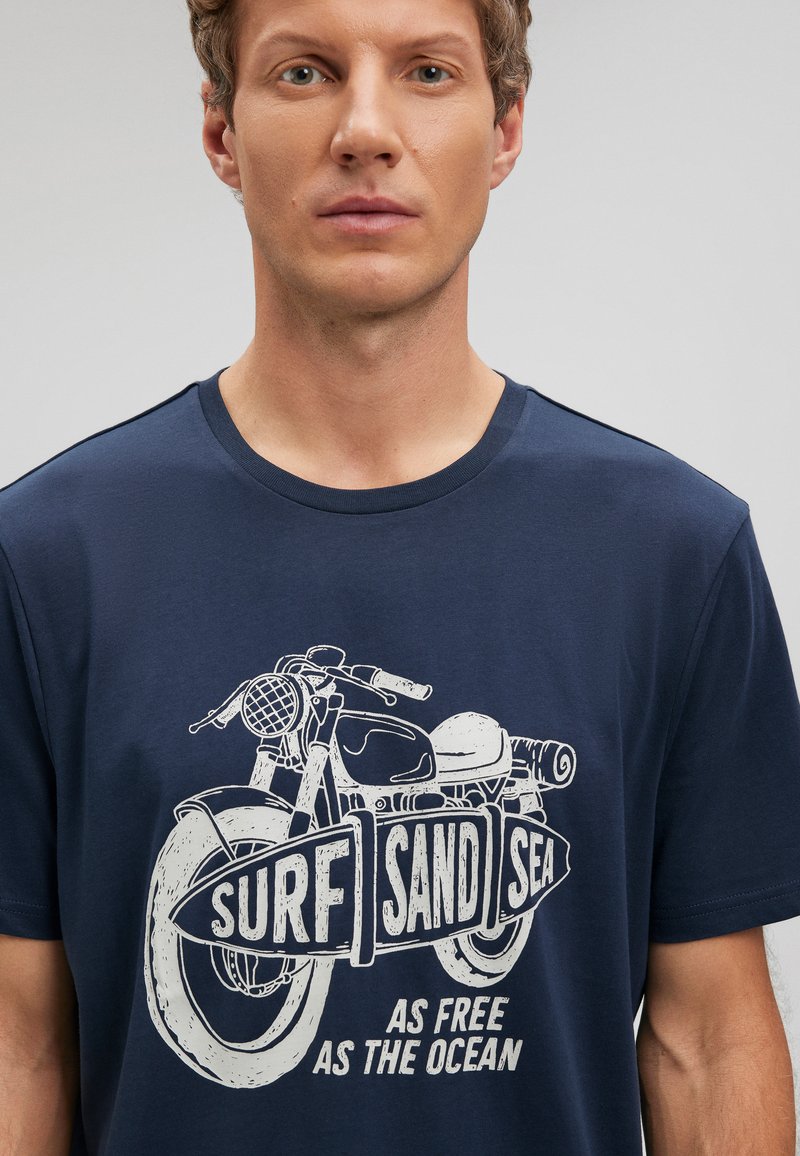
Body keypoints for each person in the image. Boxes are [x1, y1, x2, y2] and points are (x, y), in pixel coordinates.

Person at [1, 0, 798, 1151]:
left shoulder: (676, 552)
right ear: (222, 131)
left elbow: (705, 1041)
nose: (364, 130)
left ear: (504, 127)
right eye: (304, 71)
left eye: (426, 71)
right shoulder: (44, 563)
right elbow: (21, 1044)